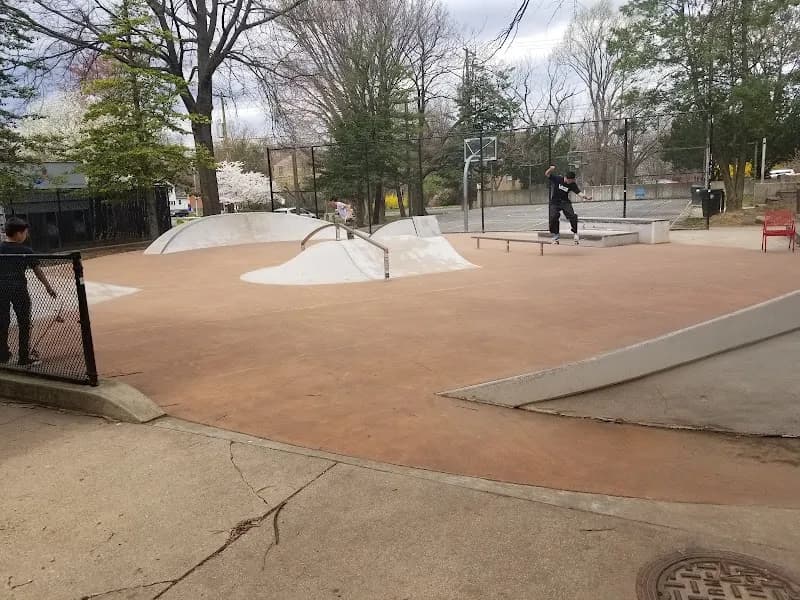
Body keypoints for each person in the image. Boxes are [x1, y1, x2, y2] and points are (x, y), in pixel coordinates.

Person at [0, 217, 58, 367]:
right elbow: (37, 271)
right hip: (19, 289)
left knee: (2, 322)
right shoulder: (25, 250)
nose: (26, 235)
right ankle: (23, 357)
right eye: (25, 232)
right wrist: (48, 287)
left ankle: (3, 355)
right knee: (24, 323)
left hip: (1, 289)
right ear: (18, 233)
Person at [544, 166, 592, 245]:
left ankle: (575, 232)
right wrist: (551, 169)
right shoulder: (558, 179)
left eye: (572, 181)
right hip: (555, 202)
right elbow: (547, 174)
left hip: (565, 202)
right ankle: (556, 236)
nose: (571, 182)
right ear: (566, 178)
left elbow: (578, 193)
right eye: (570, 180)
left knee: (572, 216)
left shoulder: (572, 184)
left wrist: (586, 197)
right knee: (553, 217)